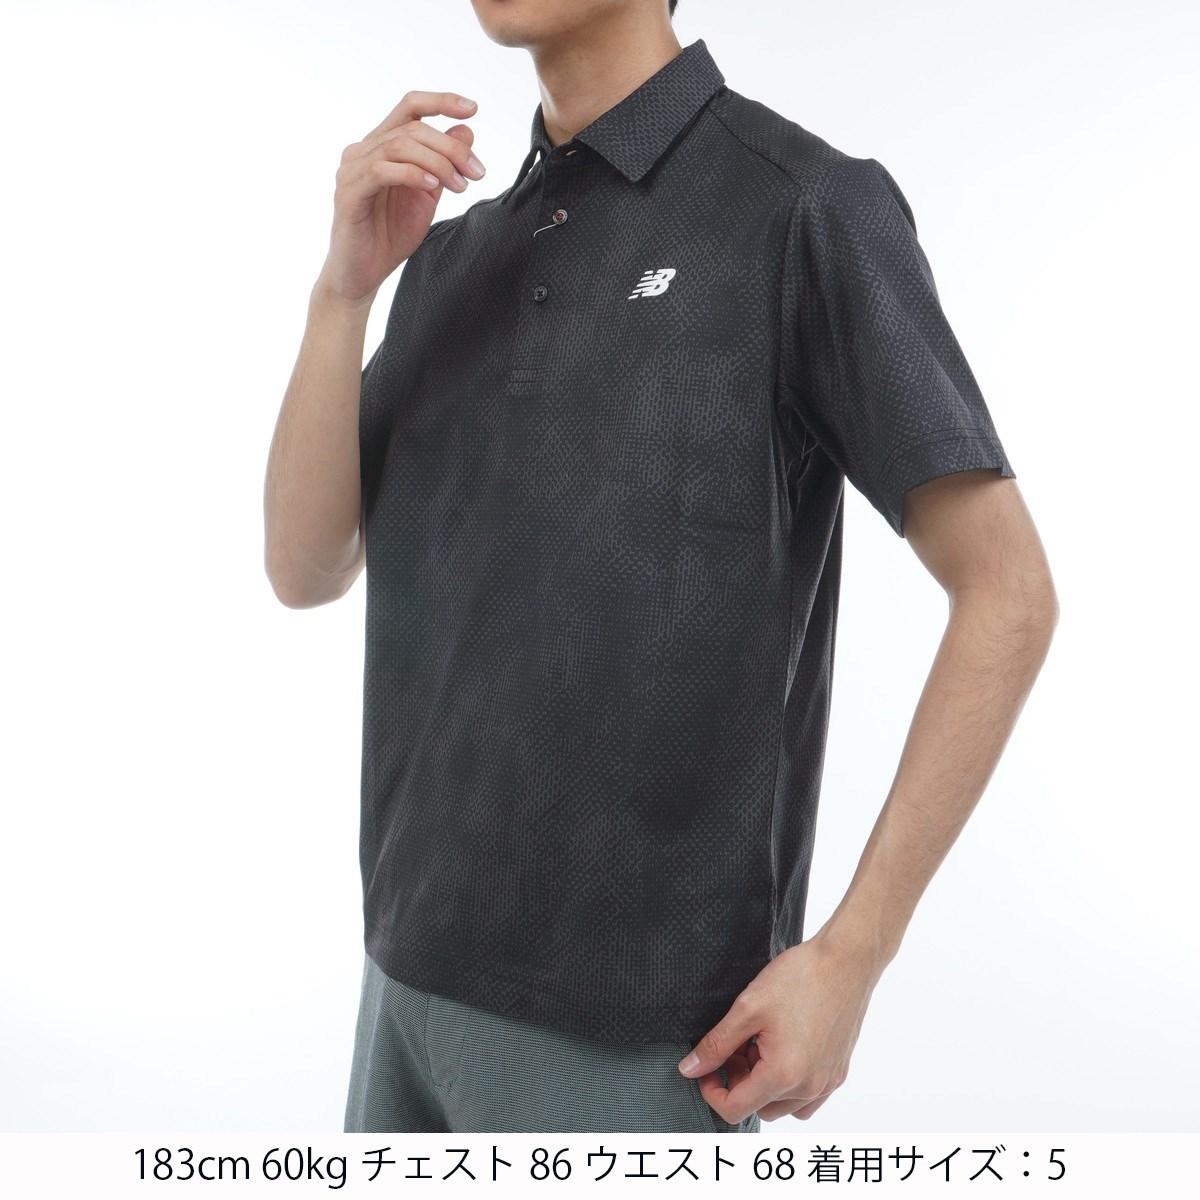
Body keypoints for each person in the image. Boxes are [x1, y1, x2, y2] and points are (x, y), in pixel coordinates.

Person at [263, 0, 1058, 1134]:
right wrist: (342, 292)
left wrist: (853, 955)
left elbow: (1008, 594)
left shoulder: (801, 205)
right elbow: (304, 567)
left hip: (640, 1038)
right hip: (401, 986)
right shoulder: (449, 254)